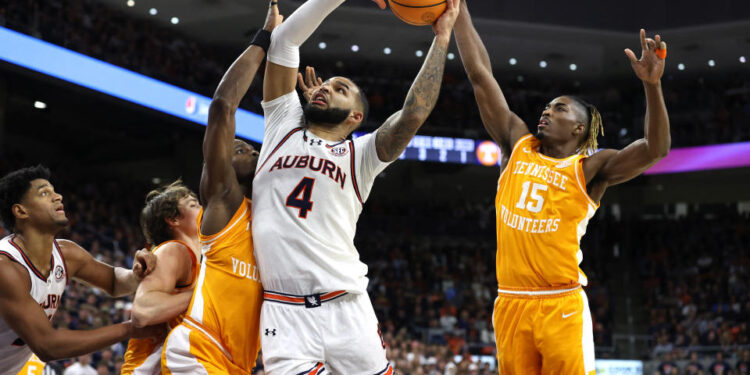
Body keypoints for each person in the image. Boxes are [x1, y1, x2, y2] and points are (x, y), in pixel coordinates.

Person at [453, 1, 671, 373]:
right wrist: (457, 11)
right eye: (548, 106)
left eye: (560, 108)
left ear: (579, 129)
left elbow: (655, 149)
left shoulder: (590, 168)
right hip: (511, 301)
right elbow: (479, 74)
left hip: (561, 303)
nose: (547, 111)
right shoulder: (516, 144)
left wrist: (652, 86)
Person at [255, 0, 459, 372]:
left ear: (356, 117)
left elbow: (413, 114)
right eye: (327, 84)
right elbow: (284, 41)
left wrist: (442, 37)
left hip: (346, 307)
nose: (327, 87)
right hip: (283, 315)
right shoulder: (281, 123)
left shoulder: (360, 155)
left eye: (341, 88)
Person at [159, 2, 283, 374]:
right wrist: (264, 40)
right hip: (199, 348)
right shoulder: (225, 201)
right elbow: (222, 107)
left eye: (254, 148)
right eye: (241, 148)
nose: (253, 150)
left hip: (238, 364)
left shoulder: (268, 217)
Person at [0, 165, 162, 375]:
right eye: (44, 193)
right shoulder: (6, 267)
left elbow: (113, 281)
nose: (58, 196)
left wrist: (135, 274)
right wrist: (129, 328)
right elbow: (47, 345)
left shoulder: (67, 254)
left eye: (54, 190)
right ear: (21, 211)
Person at [121, 181, 201, 374]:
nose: (203, 208)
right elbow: (143, 311)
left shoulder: (199, 260)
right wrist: (206, 293)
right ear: (173, 220)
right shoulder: (175, 250)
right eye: (193, 204)